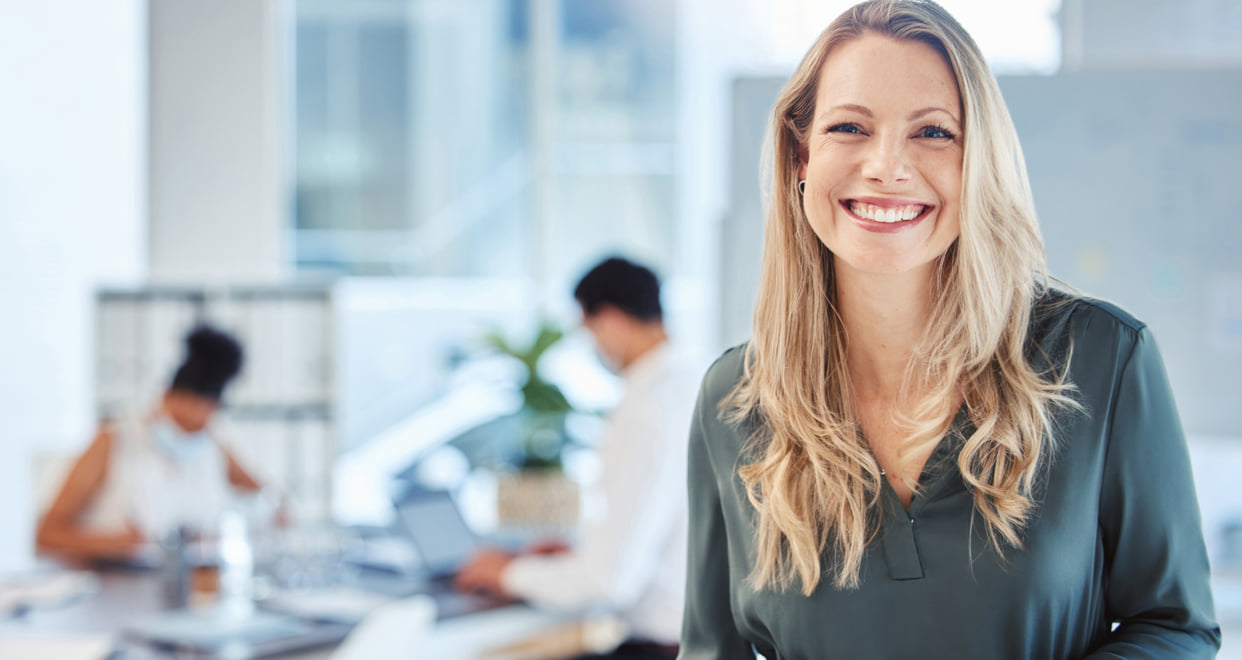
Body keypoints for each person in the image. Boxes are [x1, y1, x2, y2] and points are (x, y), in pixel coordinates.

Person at [679, 2, 1220, 659]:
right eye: (850, 126)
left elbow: (1175, 626)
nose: (886, 166)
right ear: (800, 154)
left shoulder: (1102, 359)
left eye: (933, 133)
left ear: (979, 162)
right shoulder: (733, 400)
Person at [456, 257, 701, 660]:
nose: (594, 346)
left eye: (589, 331)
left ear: (609, 319)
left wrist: (507, 573)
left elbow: (610, 580)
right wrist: (578, 552)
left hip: (659, 646)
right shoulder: (694, 383)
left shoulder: (646, 410)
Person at [37, 325, 271, 563]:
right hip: (115, 584)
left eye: (197, 427)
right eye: (180, 421)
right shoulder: (113, 439)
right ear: (165, 396)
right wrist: (118, 543)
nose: (187, 434)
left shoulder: (213, 445)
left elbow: (267, 496)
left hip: (185, 585)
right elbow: (46, 535)